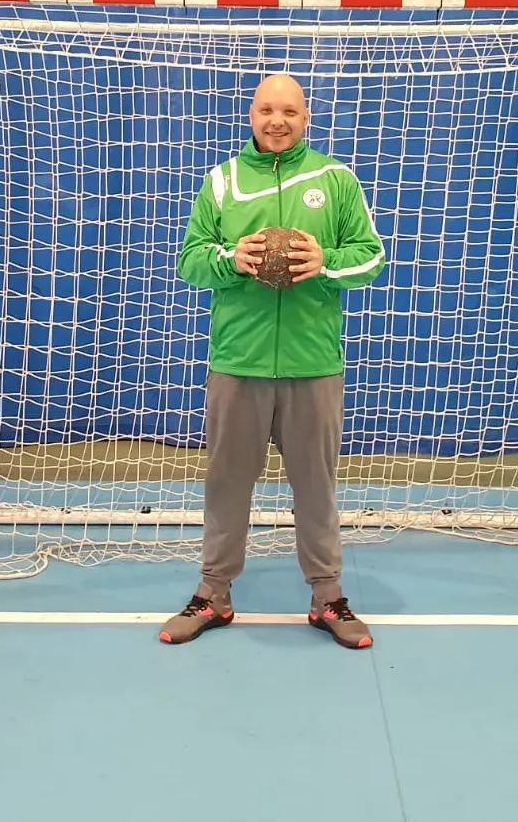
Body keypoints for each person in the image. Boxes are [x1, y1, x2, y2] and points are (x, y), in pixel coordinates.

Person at [161, 72, 386, 649]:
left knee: (316, 484)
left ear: (306, 117)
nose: (277, 120)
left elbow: (371, 258)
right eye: (266, 109)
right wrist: (231, 258)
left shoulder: (335, 180)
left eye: (289, 110)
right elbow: (190, 260)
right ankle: (213, 593)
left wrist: (325, 261)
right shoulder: (223, 181)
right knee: (227, 482)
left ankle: (328, 598)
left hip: (314, 363)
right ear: (252, 115)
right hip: (238, 360)